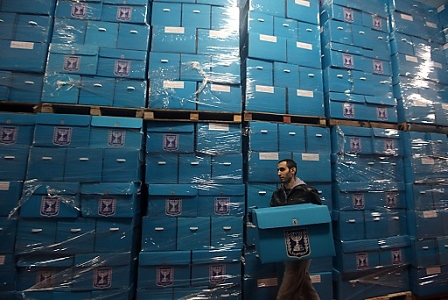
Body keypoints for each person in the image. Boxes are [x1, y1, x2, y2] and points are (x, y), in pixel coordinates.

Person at [270, 158, 322, 300]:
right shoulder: (277, 195)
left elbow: (320, 216)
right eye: (278, 170)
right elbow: (272, 217)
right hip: (285, 243)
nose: (279, 173)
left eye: (282, 169)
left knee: (289, 285)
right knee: (304, 284)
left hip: (303, 245)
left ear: (293, 170)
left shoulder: (307, 192)